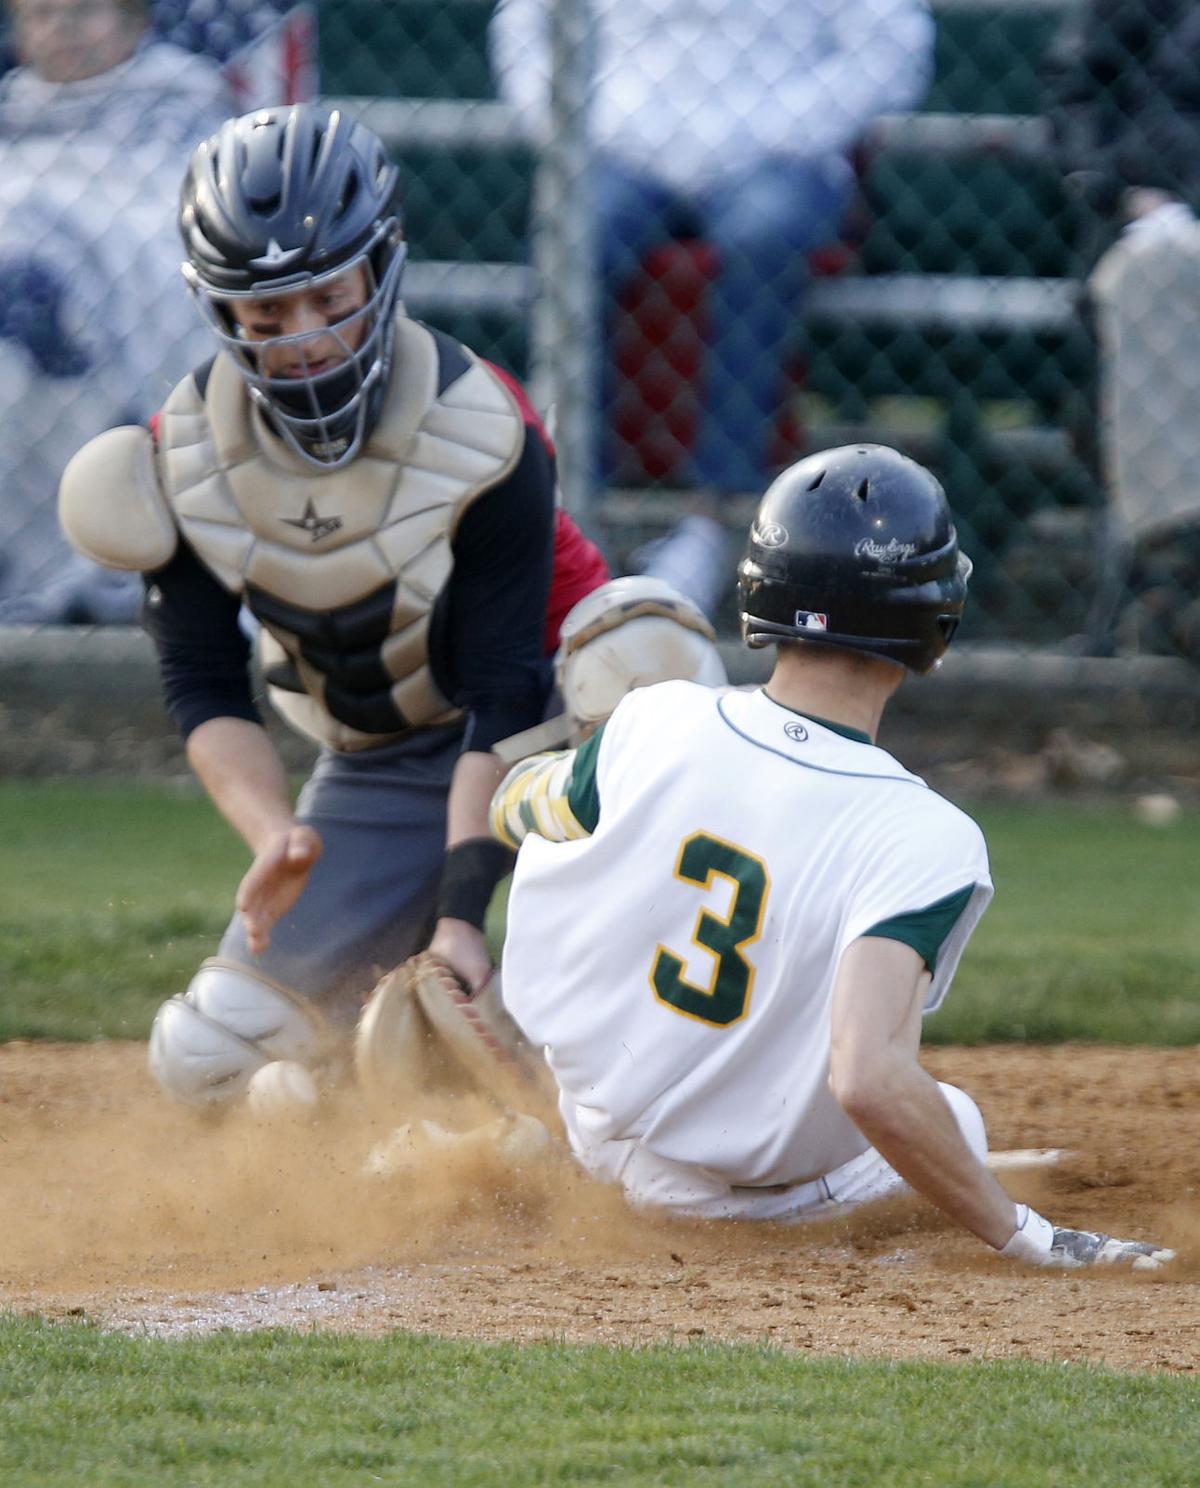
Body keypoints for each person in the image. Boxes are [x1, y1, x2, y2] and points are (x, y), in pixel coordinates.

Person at [487, 443, 1174, 1270]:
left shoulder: (653, 720)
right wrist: (1030, 1236)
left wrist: (582, 752)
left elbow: (515, 806)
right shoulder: (925, 834)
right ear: (932, 620)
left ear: (761, 591)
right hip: (756, 1203)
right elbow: (868, 1077)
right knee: (952, 1119)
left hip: (597, 1138)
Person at [59, 102, 614, 1108]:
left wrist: (460, 913)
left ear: (380, 269)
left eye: (328, 297)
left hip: (562, 732)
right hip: (387, 760)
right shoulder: (183, 457)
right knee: (208, 1056)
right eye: (267, 315)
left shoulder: (477, 424)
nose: (304, 337)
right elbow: (202, 683)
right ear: (221, 311)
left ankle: (618, 1045)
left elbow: (504, 687)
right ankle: (381, 1123)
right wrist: (277, 834)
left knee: (645, 651)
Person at [489, 0, 936, 496]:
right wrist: (592, 122)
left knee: (761, 234)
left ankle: (722, 504)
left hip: (782, 153)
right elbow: (524, 30)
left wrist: (779, 125)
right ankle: (571, 494)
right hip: (619, 147)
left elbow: (893, 47)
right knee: (577, 231)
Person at [0, 0, 234, 623]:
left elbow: (183, 227)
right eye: (41, 14)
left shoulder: (183, 108)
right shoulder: (12, 115)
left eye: (85, 10)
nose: (63, 28)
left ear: (135, 19)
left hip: (109, 311)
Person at [1042, 0, 1200, 660]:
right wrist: (1122, 192)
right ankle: (1176, 572)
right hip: (1166, 220)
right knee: (1149, 274)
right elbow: (1079, 90)